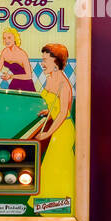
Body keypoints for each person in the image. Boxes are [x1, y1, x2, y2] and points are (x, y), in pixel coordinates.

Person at [34, 43, 75, 200]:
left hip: (63, 130)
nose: (42, 64)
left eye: (45, 60)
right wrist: (49, 111)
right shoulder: (50, 79)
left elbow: (63, 113)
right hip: (56, 126)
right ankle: (47, 201)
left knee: (57, 166)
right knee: (51, 167)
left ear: (56, 62)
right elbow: (55, 106)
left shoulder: (64, 84)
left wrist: (47, 134)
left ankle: (59, 204)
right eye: (42, 59)